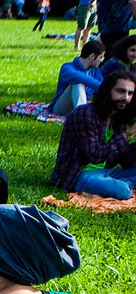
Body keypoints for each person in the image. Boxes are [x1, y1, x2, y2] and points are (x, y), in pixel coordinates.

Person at [51, 70, 136, 199]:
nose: (126, 98)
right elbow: (94, 155)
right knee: (122, 191)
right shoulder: (85, 114)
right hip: (80, 174)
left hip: (107, 172)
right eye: (120, 91)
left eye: (130, 93)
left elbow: (125, 160)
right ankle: (123, 185)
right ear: (107, 90)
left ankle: (119, 184)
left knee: (122, 185)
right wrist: (127, 135)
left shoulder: (119, 117)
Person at [51, 39, 106, 118]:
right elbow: (77, 76)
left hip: (83, 104)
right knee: (78, 83)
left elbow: (103, 90)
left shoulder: (95, 71)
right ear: (92, 56)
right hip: (61, 108)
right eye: (100, 57)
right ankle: (82, 117)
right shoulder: (67, 67)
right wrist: (100, 86)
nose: (101, 61)